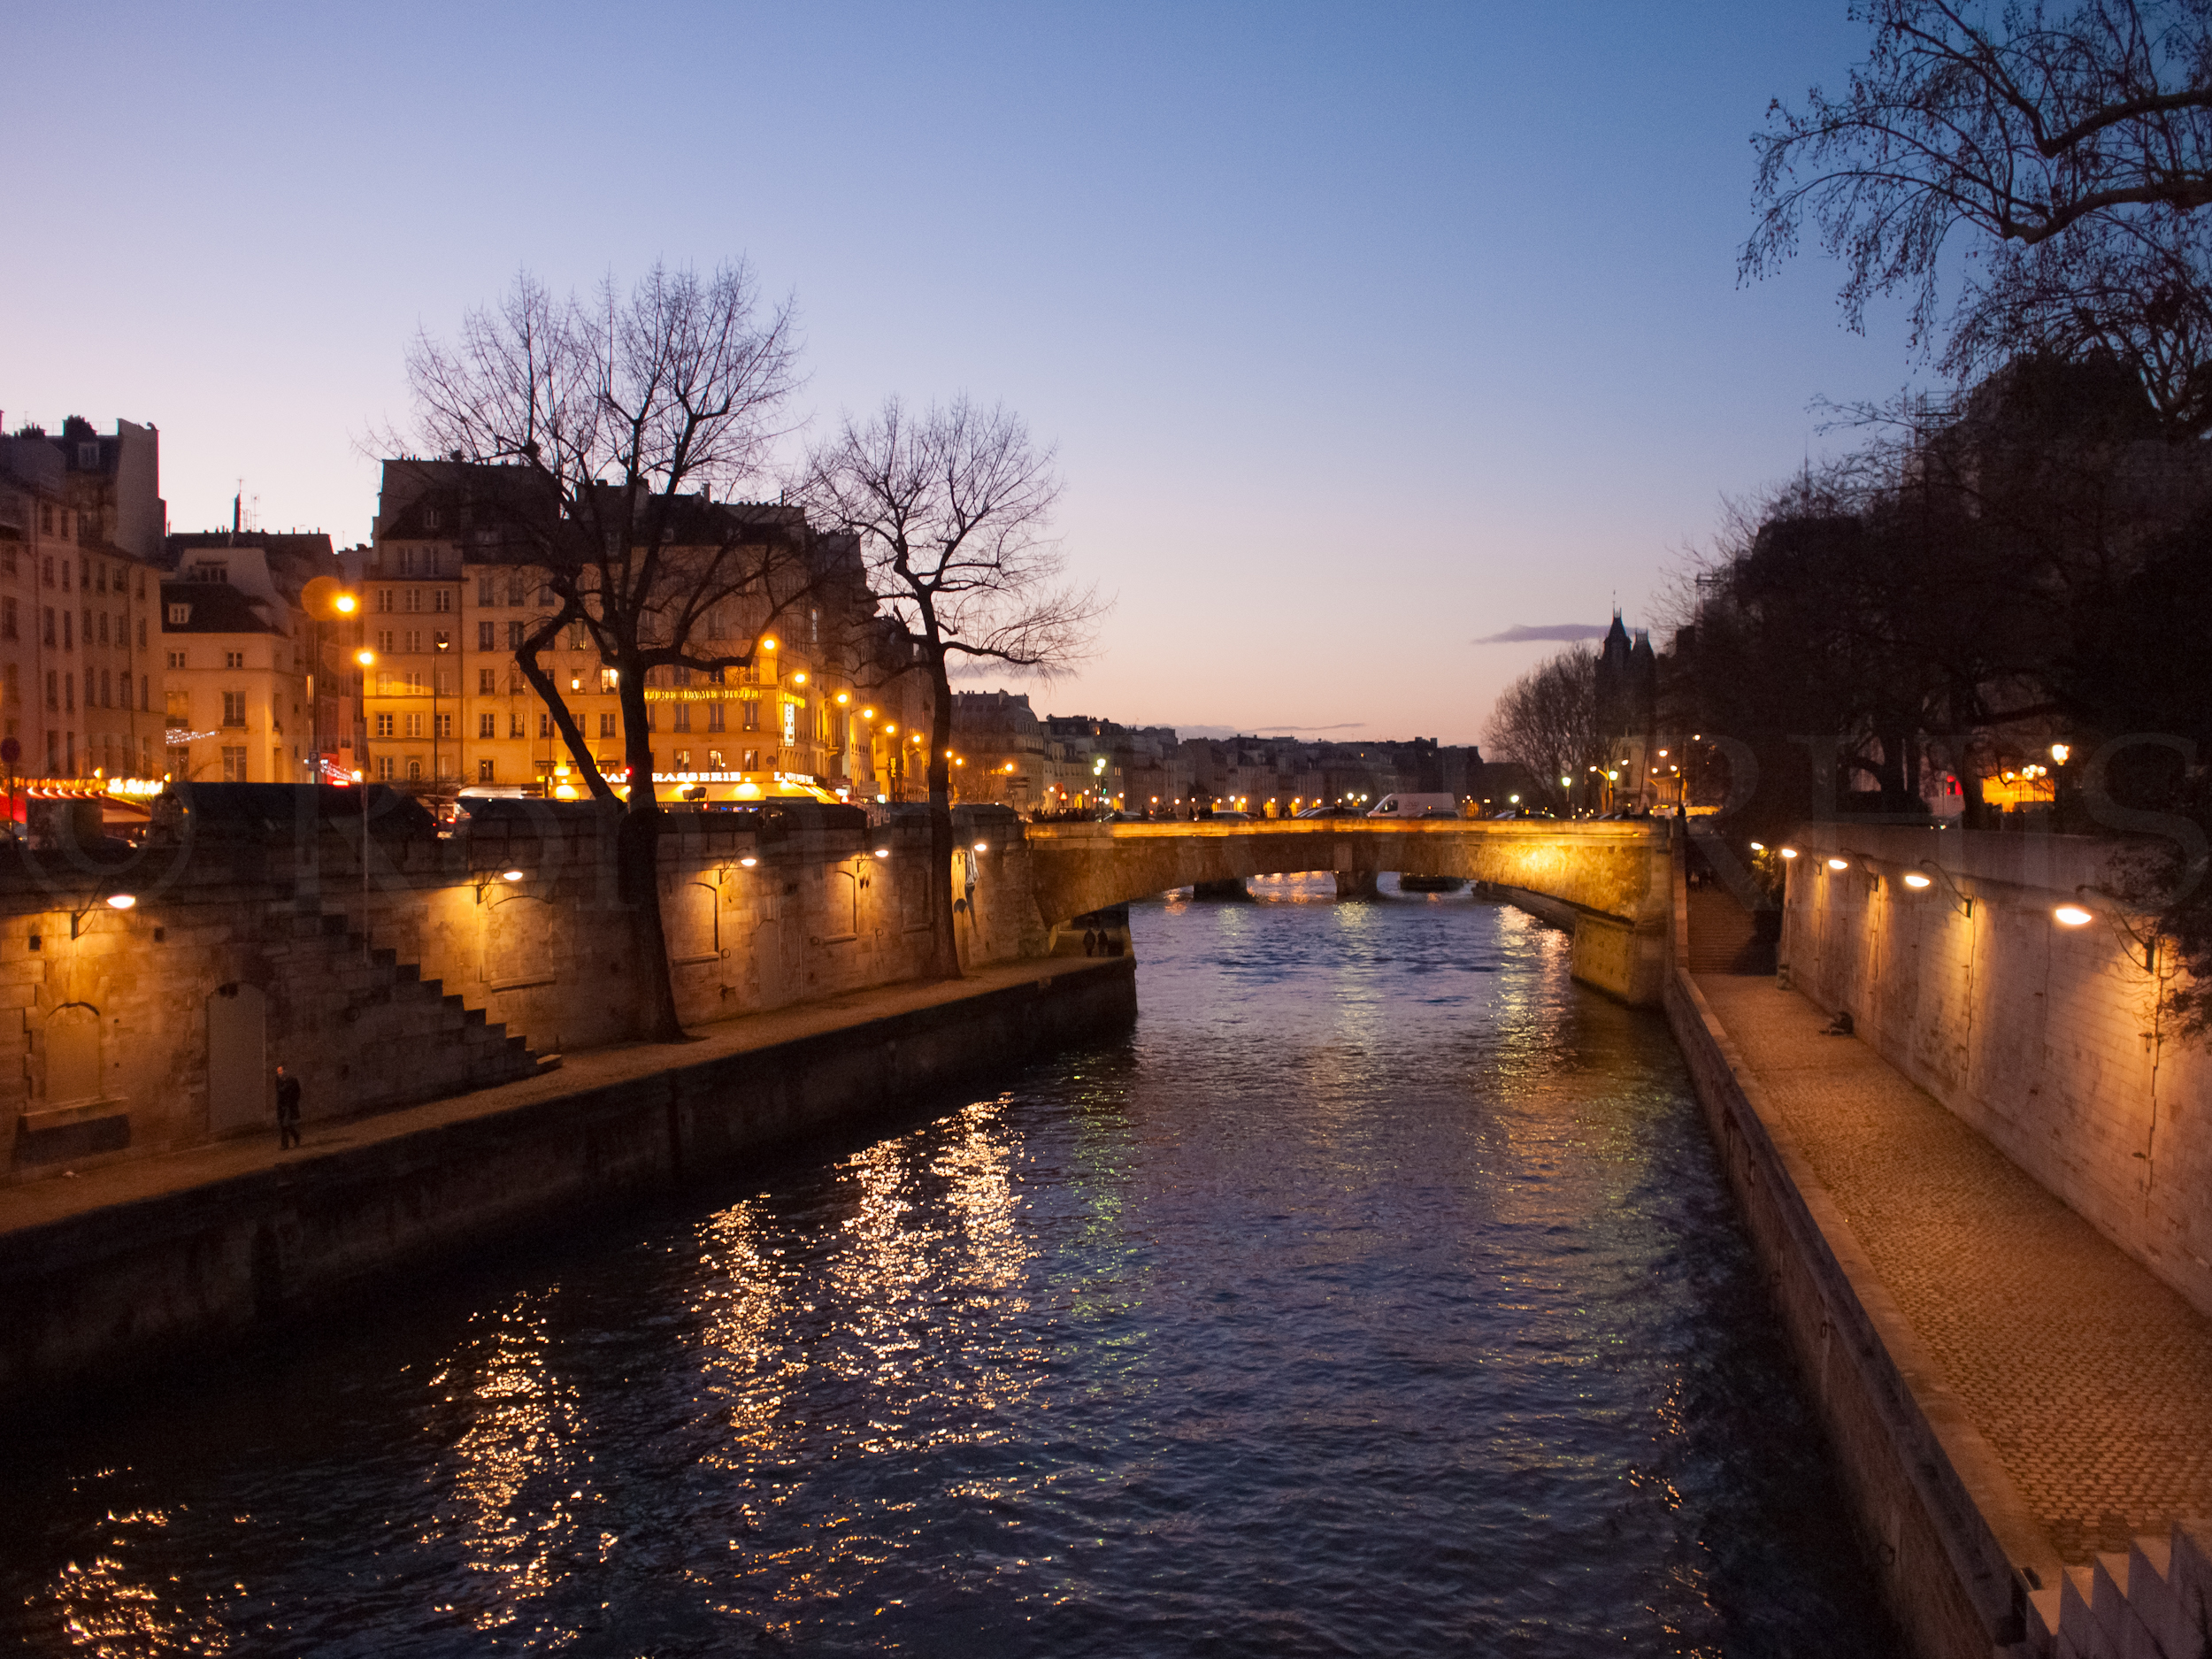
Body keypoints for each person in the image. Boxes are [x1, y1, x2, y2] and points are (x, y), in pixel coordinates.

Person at [275, 1064, 302, 1149]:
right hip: (282, 1106)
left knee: (288, 1125)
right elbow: (279, 1093)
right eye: (278, 1071)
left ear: (285, 1071)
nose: (279, 1073)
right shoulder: (279, 1081)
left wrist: (293, 1101)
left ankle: (296, 1137)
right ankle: (285, 1145)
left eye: (281, 1071)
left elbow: (297, 1092)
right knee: (283, 1125)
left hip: (289, 1105)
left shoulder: (292, 1080)